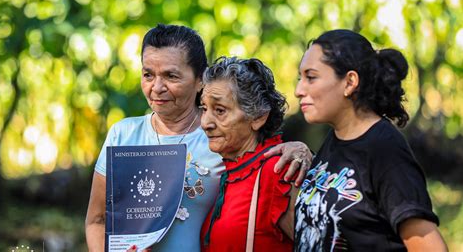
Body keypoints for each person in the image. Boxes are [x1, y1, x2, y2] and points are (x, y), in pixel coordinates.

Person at [85, 24, 311, 251]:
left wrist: (302, 150)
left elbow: (259, 163)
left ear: (199, 80)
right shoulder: (122, 135)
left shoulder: (220, 139)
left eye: (171, 76)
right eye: (148, 75)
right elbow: (96, 220)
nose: (157, 87)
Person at [294, 29, 447, 251]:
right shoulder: (336, 139)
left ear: (349, 82)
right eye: (301, 78)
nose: (299, 90)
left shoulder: (385, 149)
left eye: (311, 77)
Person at [200, 57, 297, 251]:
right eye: (204, 108)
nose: (205, 123)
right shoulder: (228, 172)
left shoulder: (276, 170)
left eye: (219, 110)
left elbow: (316, 244)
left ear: (259, 117)